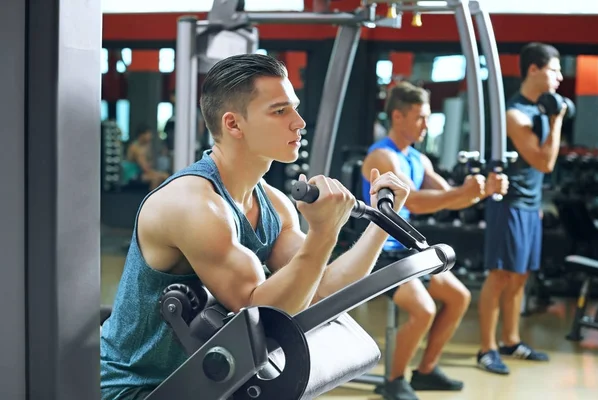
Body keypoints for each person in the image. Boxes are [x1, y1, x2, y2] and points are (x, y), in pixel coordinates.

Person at [100, 53, 410, 400]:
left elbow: (321, 292)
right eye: (280, 111)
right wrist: (323, 234)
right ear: (234, 125)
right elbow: (265, 313)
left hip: (202, 385)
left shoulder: (273, 203)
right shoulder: (194, 206)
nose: (299, 122)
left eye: (293, 108)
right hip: (136, 390)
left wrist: (384, 222)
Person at [361, 81, 508, 400]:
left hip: (406, 248)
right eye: (420, 117)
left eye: (428, 117)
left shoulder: (417, 159)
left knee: (459, 296)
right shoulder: (382, 157)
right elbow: (411, 202)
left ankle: (425, 371)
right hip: (378, 252)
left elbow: (448, 199)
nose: (427, 124)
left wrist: (484, 190)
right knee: (424, 310)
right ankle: (394, 379)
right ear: (397, 117)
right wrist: (464, 192)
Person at [476, 42, 566, 375]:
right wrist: (556, 121)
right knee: (500, 275)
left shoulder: (540, 109)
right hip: (509, 203)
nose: (558, 77)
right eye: (553, 70)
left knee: (520, 276)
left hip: (530, 205)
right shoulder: (514, 114)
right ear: (533, 69)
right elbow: (544, 162)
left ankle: (511, 340)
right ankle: (487, 349)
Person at [123, 124, 169, 190]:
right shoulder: (136, 148)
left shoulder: (145, 146)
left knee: (164, 176)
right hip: (132, 176)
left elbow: (150, 164)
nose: (151, 136)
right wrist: (158, 174)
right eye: (149, 134)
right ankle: (151, 199)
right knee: (157, 178)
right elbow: (145, 168)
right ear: (142, 135)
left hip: (141, 173)